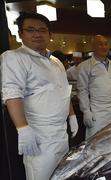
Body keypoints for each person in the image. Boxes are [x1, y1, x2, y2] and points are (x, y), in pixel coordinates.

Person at [1, 12, 78, 180]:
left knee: (62, 176)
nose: (37, 34)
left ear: (50, 35)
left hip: (60, 133)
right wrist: (23, 129)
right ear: (21, 33)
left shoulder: (56, 61)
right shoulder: (14, 57)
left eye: (42, 30)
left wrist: (71, 115)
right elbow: (12, 94)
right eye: (30, 30)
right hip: (37, 134)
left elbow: (64, 90)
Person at [77, 35, 111, 139]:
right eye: (100, 44)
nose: (104, 47)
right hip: (97, 113)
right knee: (96, 141)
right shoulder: (84, 66)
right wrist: (86, 111)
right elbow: (82, 90)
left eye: (106, 44)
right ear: (93, 47)